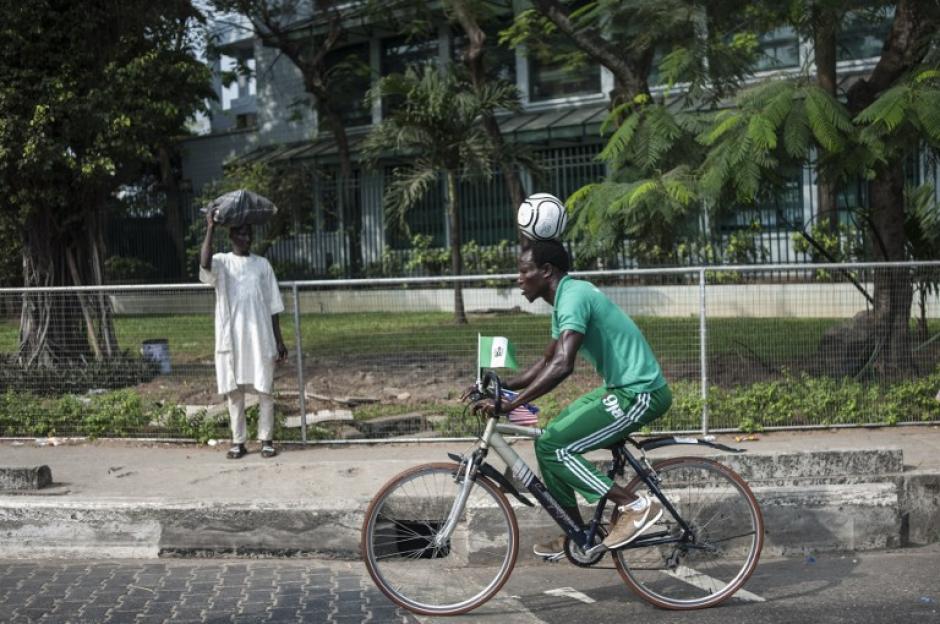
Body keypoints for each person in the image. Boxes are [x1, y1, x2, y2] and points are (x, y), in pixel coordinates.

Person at [474, 239, 672, 557]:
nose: (519, 278)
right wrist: (504, 386)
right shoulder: (566, 297)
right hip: (620, 389)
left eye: (524, 270)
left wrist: (511, 404)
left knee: (556, 448)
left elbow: (563, 366)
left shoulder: (574, 297)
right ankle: (577, 533)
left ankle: (633, 504)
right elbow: (547, 360)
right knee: (546, 440)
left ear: (546, 271)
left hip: (641, 393)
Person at [200, 209, 288, 459]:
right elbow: (204, 265)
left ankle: (266, 440)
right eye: (241, 233)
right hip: (233, 338)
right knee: (234, 392)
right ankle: (238, 442)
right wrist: (210, 228)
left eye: (249, 234)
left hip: (260, 338)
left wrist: (279, 340)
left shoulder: (262, 265)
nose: (247, 238)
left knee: (265, 390)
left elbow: (273, 305)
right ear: (232, 236)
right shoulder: (222, 262)